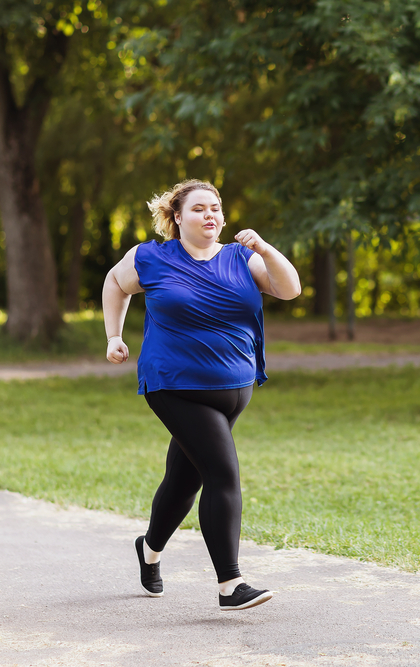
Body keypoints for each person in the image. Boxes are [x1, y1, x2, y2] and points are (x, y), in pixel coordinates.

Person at [101, 179, 301, 611]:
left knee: (184, 479)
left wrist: (265, 249)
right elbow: (114, 284)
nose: (210, 215)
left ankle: (150, 550)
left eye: (216, 208)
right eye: (198, 209)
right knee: (222, 474)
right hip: (174, 384)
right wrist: (113, 335)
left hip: (235, 386)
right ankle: (231, 584)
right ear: (176, 217)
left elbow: (290, 289)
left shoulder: (241, 258)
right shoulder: (150, 258)